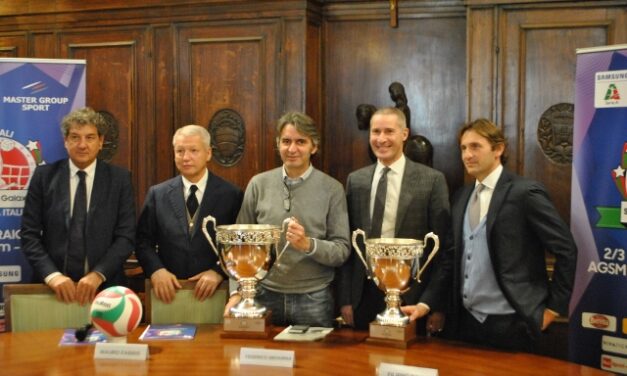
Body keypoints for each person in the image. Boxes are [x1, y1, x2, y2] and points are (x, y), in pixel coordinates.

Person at [403, 118, 577, 351]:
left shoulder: (525, 193)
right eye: (463, 148)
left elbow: (566, 249)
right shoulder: (461, 197)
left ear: (498, 149)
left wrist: (554, 309)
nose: (467, 155)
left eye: (476, 147)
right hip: (463, 325)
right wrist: (426, 304)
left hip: (513, 325)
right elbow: (449, 259)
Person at [224, 111, 350, 327]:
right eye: (286, 141)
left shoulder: (332, 189)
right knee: (261, 360)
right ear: (278, 145)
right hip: (262, 295)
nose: (292, 149)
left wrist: (308, 244)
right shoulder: (258, 184)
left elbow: (341, 251)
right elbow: (239, 244)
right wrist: (237, 292)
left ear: (314, 146)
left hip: (314, 299)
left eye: (301, 142)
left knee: (314, 361)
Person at [338, 107, 450, 333]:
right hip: (363, 297)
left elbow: (444, 249)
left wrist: (434, 304)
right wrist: (345, 299)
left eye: (389, 131)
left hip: (413, 299)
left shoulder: (432, 181)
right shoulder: (355, 181)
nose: (381, 139)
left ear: (404, 134)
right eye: (375, 132)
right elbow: (348, 243)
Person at [21, 107, 136, 305]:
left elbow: (126, 237)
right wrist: (52, 276)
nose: (82, 145)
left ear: (100, 142)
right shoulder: (44, 177)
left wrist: (98, 275)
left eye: (90, 137)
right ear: (65, 141)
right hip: (52, 291)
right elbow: (29, 234)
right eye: (75, 137)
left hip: (104, 291)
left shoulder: (120, 179)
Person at [135, 125, 243, 303]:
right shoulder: (158, 194)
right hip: (168, 293)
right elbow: (142, 242)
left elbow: (240, 245)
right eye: (180, 151)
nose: (186, 157)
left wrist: (219, 272)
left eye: (194, 150)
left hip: (215, 292)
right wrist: (156, 271)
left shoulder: (231, 194)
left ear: (208, 153)